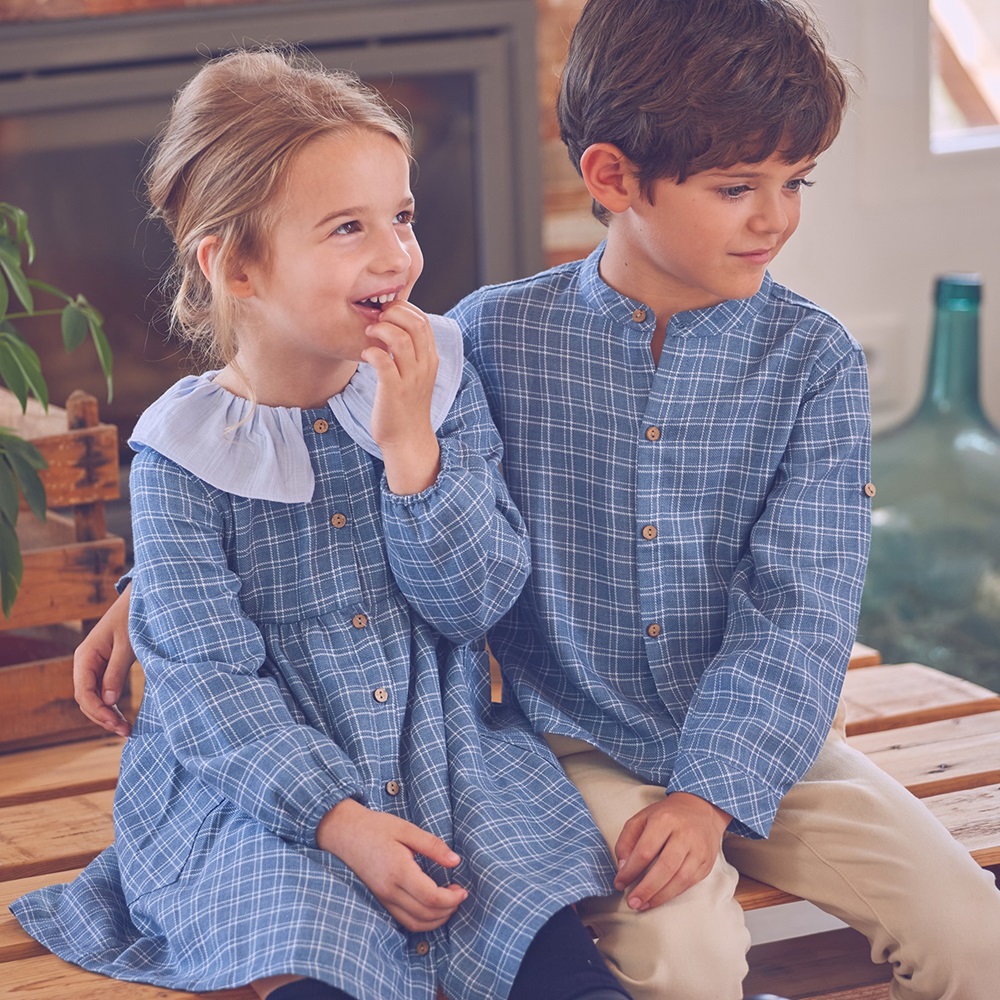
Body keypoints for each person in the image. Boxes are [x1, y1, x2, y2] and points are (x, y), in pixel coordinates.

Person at [71, 1, 1000, 998]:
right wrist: (154, 588)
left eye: (795, 180)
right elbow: (322, 490)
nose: (776, 216)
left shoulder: (813, 362)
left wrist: (708, 794)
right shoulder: (491, 341)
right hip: (580, 740)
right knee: (680, 960)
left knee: (971, 933)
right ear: (609, 178)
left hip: (770, 745)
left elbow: (800, 612)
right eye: (738, 186)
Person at [11, 48, 633, 1000]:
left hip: (455, 760)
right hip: (266, 799)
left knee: (550, 959)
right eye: (348, 228)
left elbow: (476, 606)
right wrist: (338, 820)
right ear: (236, 265)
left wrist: (412, 454)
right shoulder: (181, 454)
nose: (396, 255)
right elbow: (208, 688)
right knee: (313, 951)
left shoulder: (437, 384)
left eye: (403, 216)